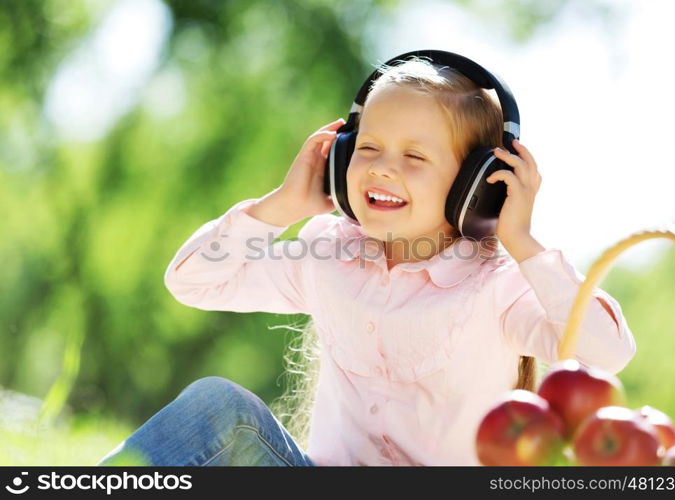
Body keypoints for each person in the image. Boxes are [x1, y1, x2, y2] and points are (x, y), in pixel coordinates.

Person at [96, 55, 635, 467]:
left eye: (415, 156)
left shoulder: (497, 286)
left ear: (476, 187)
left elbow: (605, 351)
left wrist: (521, 241)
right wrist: (279, 207)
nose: (382, 168)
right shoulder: (329, 253)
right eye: (369, 148)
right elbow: (194, 283)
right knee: (219, 406)